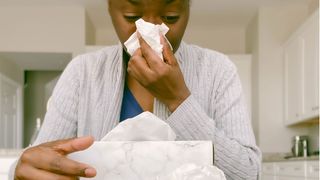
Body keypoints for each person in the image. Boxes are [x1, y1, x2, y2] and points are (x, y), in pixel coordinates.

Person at [13, 0, 261, 179]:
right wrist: (22, 170)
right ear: (110, 9)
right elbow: (38, 161)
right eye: (132, 16)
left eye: (171, 16)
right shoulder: (82, 73)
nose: (150, 30)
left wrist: (178, 99)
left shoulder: (218, 70)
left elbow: (249, 173)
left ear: (188, 8)